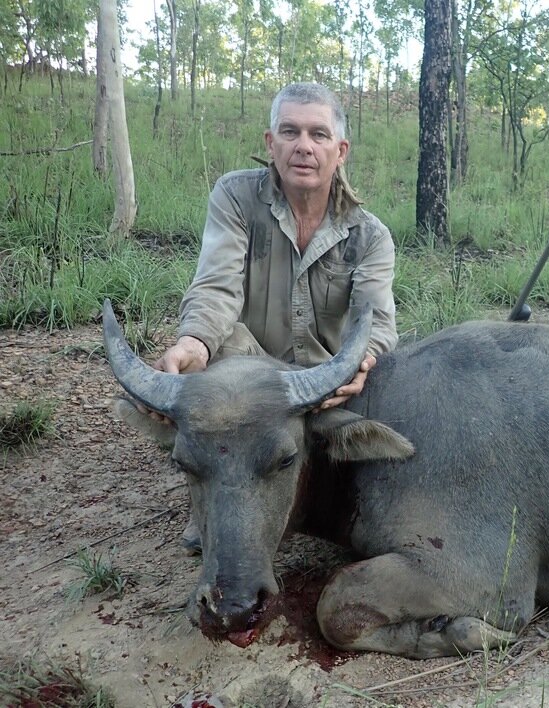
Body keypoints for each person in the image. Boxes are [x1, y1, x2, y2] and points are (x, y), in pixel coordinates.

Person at [153, 81, 399, 549]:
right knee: (210, 364)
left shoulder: (371, 236)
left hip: (325, 385)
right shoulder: (236, 197)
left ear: (340, 149)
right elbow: (215, 287)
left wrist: (362, 360)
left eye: (318, 134)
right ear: (271, 143)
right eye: (290, 131)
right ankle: (215, 507)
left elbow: (377, 323)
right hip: (248, 379)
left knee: (386, 386)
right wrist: (194, 343)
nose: (303, 146)